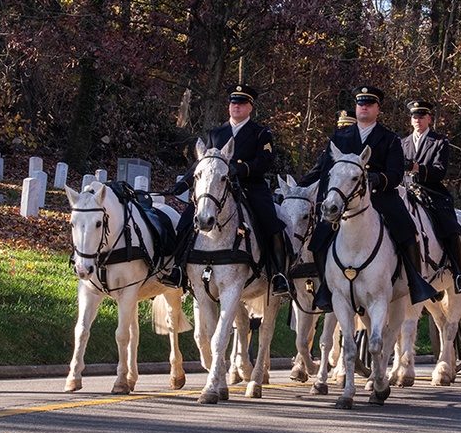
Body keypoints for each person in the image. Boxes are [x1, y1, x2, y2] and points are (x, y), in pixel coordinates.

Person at [298, 85, 439, 309]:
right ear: (356, 108)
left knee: (407, 231)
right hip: (343, 201)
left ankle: (416, 282)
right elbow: (326, 171)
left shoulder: (389, 139)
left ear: (377, 109)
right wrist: (308, 193)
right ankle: (327, 287)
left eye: (369, 104)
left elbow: (395, 174)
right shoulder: (340, 136)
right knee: (317, 241)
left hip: (380, 197)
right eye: (360, 104)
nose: (364, 108)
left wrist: (376, 179)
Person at [162, 83, 290, 296]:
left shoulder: (261, 134)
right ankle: (178, 269)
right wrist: (183, 183)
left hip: (250, 188)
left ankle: (277, 275)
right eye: (233, 102)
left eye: (241, 103)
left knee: (271, 224)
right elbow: (203, 164)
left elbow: (264, 162)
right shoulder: (216, 133)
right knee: (186, 221)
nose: (236, 107)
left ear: (250, 107)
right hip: (217, 189)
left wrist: (237, 169)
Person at [400, 99, 461, 293]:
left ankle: (459, 273)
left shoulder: (440, 141)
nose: (417, 120)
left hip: (431, 191)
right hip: (406, 190)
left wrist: (416, 168)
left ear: (429, 119)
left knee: (448, 225)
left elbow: (440, 171)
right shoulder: (402, 143)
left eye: (421, 116)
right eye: (414, 116)